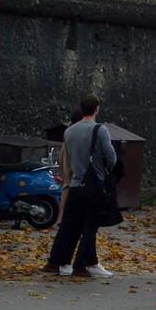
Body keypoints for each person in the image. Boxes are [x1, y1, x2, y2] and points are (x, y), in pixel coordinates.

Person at [41, 94, 117, 278]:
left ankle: (55, 262)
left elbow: (69, 156)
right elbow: (111, 158)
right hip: (94, 185)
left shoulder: (69, 132)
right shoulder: (100, 130)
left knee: (68, 226)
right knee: (90, 227)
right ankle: (81, 265)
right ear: (97, 108)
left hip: (75, 185)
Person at [55, 107, 83, 226]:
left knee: (67, 188)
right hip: (72, 168)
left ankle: (62, 218)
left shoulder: (69, 132)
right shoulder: (76, 133)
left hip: (67, 162)